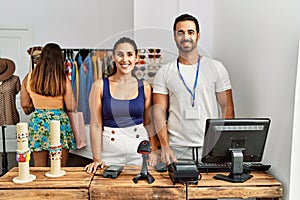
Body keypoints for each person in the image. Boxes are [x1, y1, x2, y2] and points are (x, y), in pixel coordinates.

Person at [152, 14, 235, 165]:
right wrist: (164, 146)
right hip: (177, 149)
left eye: (190, 32)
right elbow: (158, 111)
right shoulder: (164, 72)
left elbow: (227, 107)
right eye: (180, 32)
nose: (186, 37)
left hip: (210, 148)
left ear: (198, 35)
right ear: (175, 36)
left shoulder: (216, 68)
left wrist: (223, 147)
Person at [84, 37, 157, 174]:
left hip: (139, 150)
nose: (125, 59)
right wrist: (96, 158)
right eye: (120, 54)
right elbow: (95, 124)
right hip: (109, 152)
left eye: (130, 54)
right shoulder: (99, 86)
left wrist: (154, 150)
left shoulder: (145, 87)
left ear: (136, 58)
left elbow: (148, 123)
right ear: (113, 57)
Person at [20, 43, 77, 167]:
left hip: (38, 122)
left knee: (39, 166)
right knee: (59, 168)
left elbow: (24, 103)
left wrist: (38, 103)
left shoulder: (29, 78)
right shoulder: (63, 79)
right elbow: (71, 106)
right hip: (60, 123)